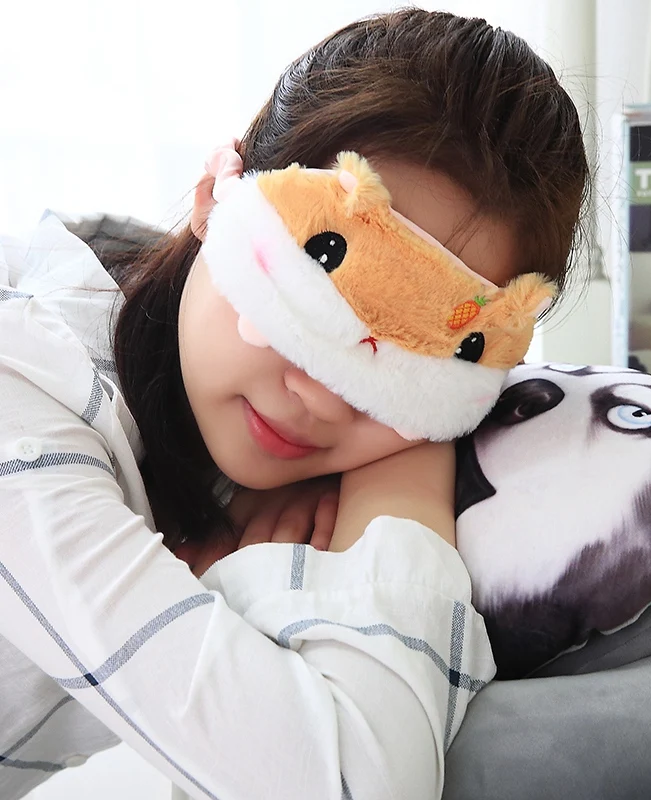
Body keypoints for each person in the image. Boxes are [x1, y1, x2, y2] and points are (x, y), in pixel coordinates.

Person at [0, 9, 588, 800]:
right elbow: (346, 780)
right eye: (310, 283)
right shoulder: (25, 383)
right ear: (214, 199)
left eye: (427, 359)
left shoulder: (199, 388)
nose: (322, 394)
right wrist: (405, 479)